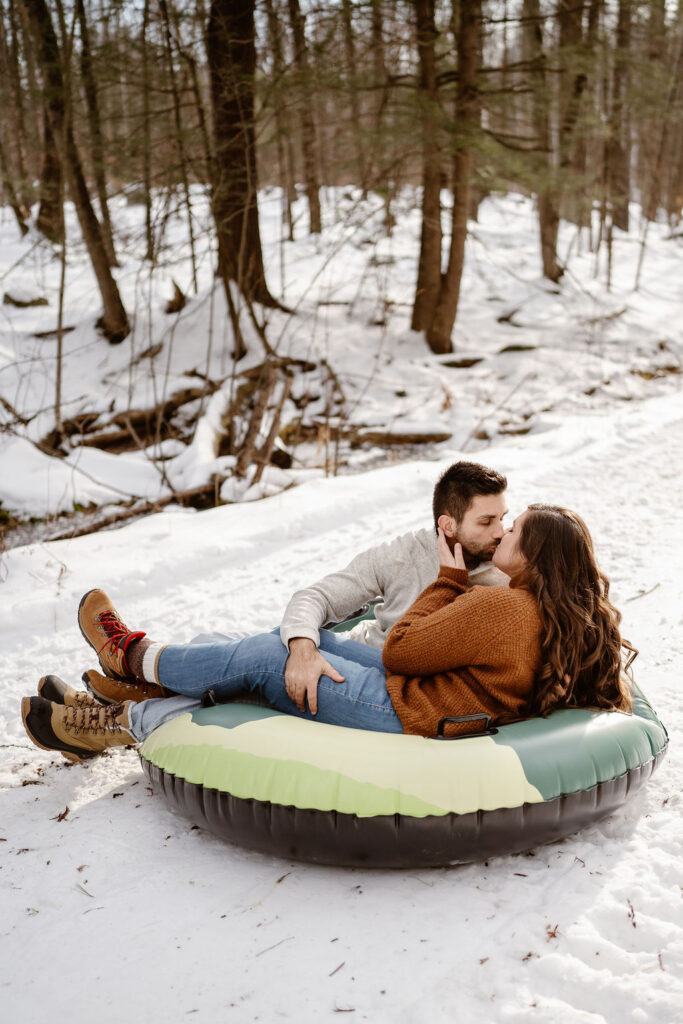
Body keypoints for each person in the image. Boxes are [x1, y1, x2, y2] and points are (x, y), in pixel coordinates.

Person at [21, 504, 635, 762]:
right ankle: (140, 693)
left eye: (513, 531)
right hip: (424, 695)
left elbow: (403, 648)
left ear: (534, 558)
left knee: (266, 658)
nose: (501, 535)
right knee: (296, 642)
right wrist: (308, 644)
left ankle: (130, 660)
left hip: (408, 711)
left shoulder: (502, 608)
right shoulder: (551, 613)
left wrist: (448, 580)